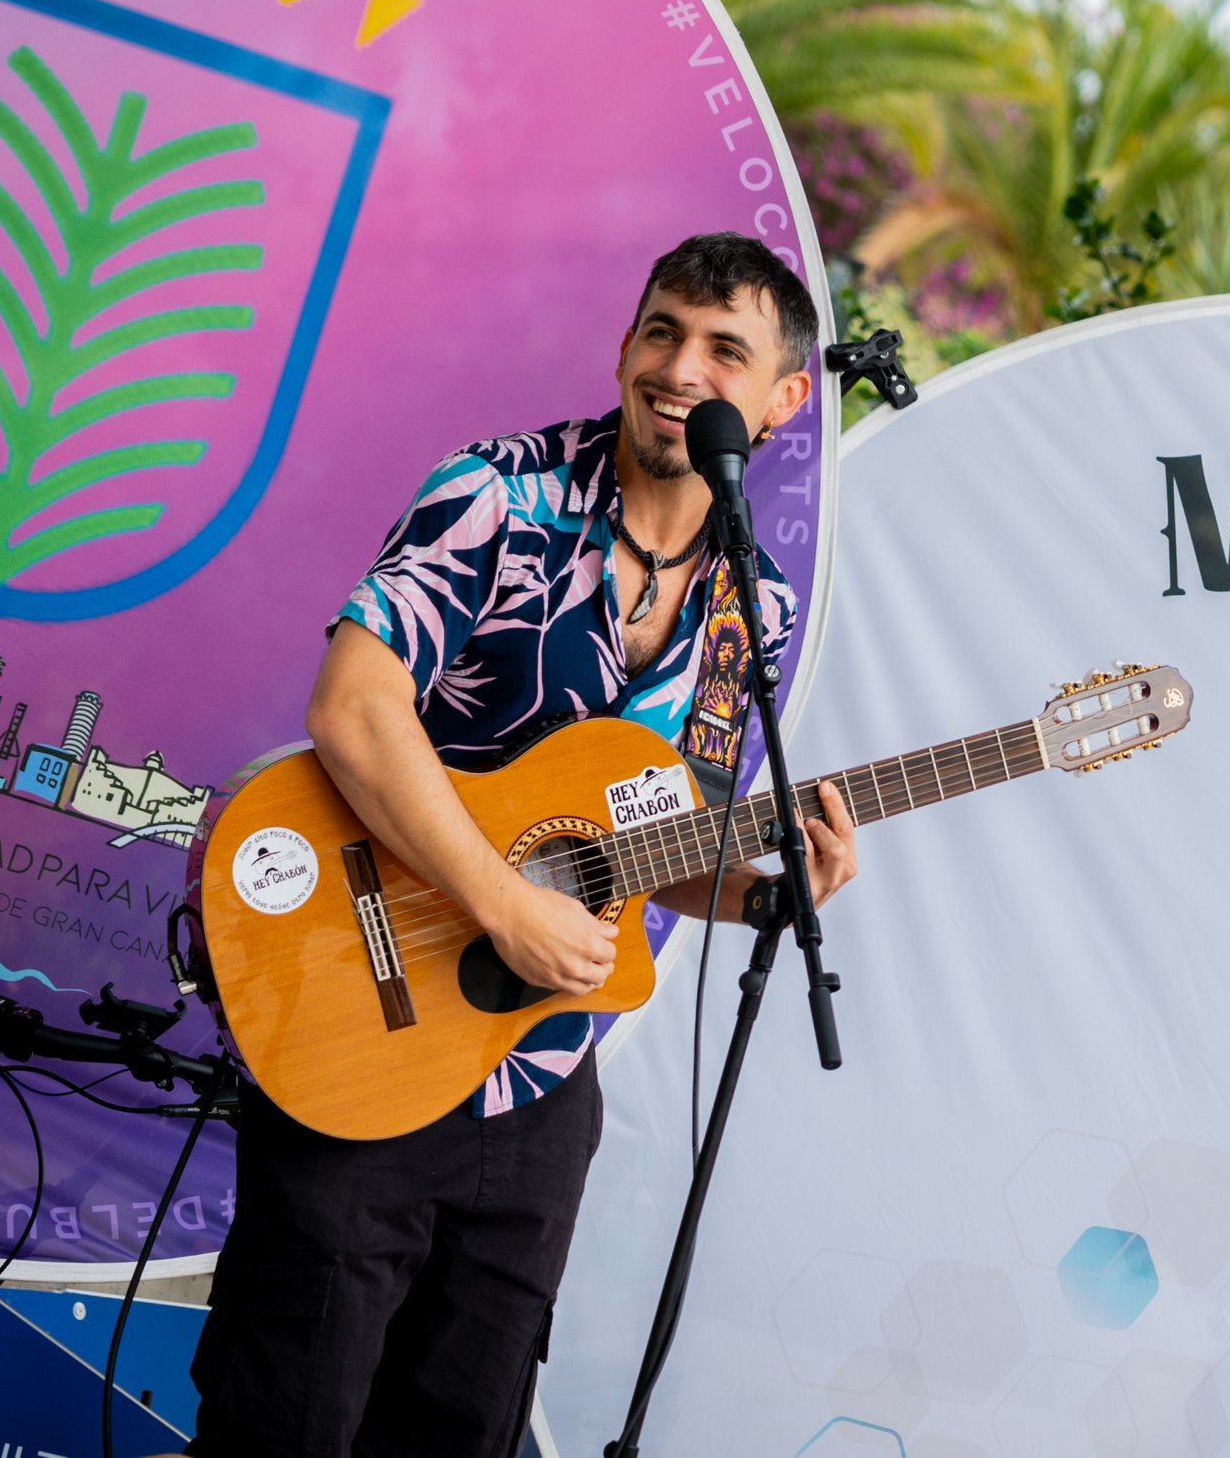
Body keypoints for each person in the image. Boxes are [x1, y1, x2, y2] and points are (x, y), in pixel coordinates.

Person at [188, 232, 859, 1457]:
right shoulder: (499, 497)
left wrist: (767, 894)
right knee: (280, 1423)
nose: (679, 368)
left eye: (724, 349)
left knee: (461, 1431)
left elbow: (649, 841)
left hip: (542, 1088)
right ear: (624, 344)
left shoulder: (749, 610)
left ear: (782, 399)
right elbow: (352, 706)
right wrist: (499, 899)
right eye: (661, 330)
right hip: (363, 1022)